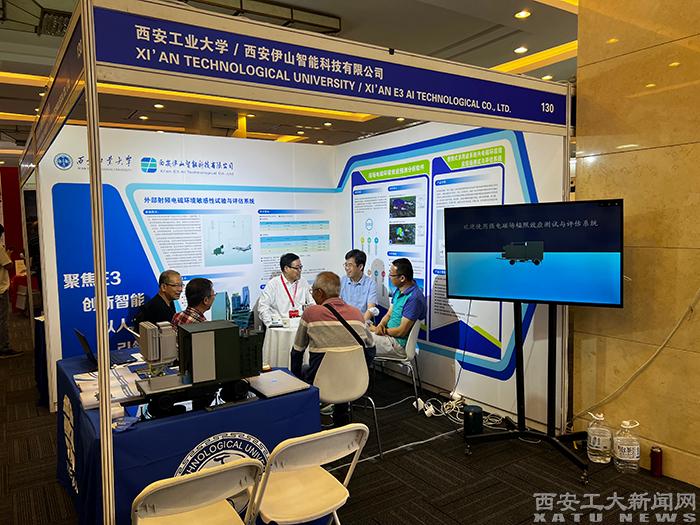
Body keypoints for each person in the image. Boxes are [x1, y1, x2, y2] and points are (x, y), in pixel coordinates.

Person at [291, 271, 373, 427]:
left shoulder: (311, 313)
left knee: (304, 370)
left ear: (319, 293)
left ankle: (307, 420)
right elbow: (370, 350)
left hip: (323, 384)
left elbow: (297, 352)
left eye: (312, 291)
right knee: (342, 371)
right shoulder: (357, 313)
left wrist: (295, 385)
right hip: (356, 381)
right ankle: (342, 419)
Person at [370, 258, 426, 359]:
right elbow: (389, 314)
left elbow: (401, 331)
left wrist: (381, 331)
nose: (389, 277)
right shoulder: (399, 290)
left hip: (397, 344)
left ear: (402, 278)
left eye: (391, 275)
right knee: (358, 333)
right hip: (387, 336)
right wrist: (380, 325)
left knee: (361, 341)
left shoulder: (414, 298)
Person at [257, 253, 313, 328]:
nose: (300, 270)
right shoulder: (273, 284)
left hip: (300, 326)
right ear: (286, 268)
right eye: (297, 268)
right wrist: (271, 325)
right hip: (281, 327)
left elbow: (312, 304)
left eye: (301, 267)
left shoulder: (303, 282)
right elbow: (263, 307)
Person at [0, 225, 20, 359]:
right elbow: (8, 265)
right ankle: (4, 348)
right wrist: (9, 254)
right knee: (3, 320)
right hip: (1, 289)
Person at [340, 249, 377, 321]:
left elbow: (371, 309)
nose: (347, 268)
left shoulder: (370, 284)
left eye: (350, 265)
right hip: (345, 321)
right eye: (346, 265)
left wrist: (360, 324)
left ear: (360, 267)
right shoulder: (342, 280)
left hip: (362, 321)